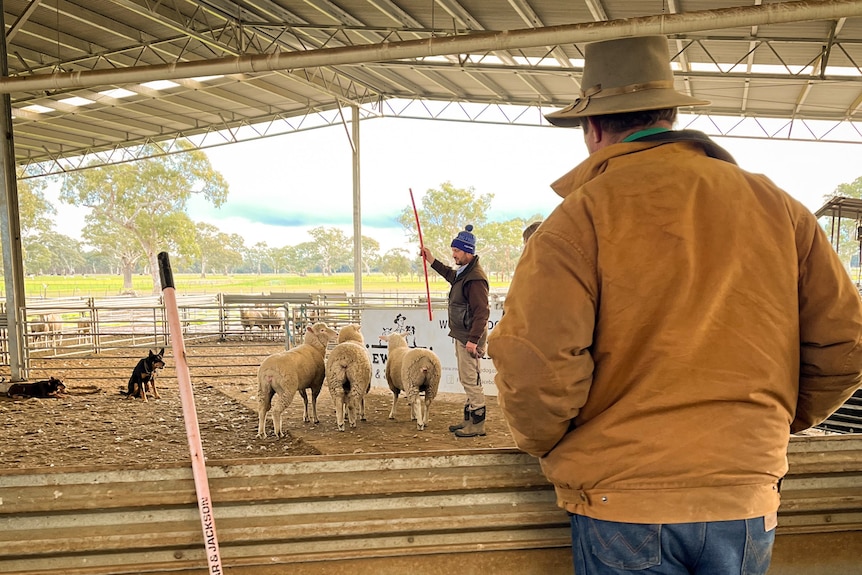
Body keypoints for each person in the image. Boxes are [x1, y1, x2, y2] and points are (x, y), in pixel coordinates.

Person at [487, 34, 862, 575]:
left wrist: (548, 442)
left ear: (593, 128)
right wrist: (773, 422)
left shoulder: (579, 219)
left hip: (624, 502)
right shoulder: (781, 210)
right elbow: (844, 345)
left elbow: (535, 363)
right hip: (745, 498)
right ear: (672, 114)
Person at [421, 225, 490, 437]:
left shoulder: (475, 278)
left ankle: (477, 424)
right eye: (453, 250)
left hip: (468, 336)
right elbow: (451, 275)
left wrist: (473, 340)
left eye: (457, 251)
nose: (454, 255)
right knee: (469, 376)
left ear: (468, 252)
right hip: (464, 334)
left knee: (470, 378)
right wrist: (431, 260)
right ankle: (469, 418)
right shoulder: (465, 273)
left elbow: (482, 312)